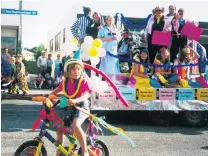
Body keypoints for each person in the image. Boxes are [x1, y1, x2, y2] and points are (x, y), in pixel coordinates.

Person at [49, 59, 91, 156]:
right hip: (71, 106)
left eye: (78, 69)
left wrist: (75, 100)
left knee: (76, 124)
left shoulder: (83, 81)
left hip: (82, 106)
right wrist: (48, 97)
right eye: (73, 69)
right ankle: (60, 149)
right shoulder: (65, 81)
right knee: (59, 126)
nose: (76, 72)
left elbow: (86, 95)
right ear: (68, 71)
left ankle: (85, 151)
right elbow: (57, 90)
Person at [98, 15, 121, 82]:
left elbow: (119, 38)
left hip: (113, 52)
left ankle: (112, 83)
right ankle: (107, 83)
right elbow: (98, 38)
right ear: (106, 21)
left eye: (111, 20)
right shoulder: (102, 29)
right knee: (106, 68)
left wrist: (117, 38)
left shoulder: (116, 29)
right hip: (105, 51)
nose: (110, 21)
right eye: (109, 20)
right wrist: (106, 39)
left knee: (113, 68)